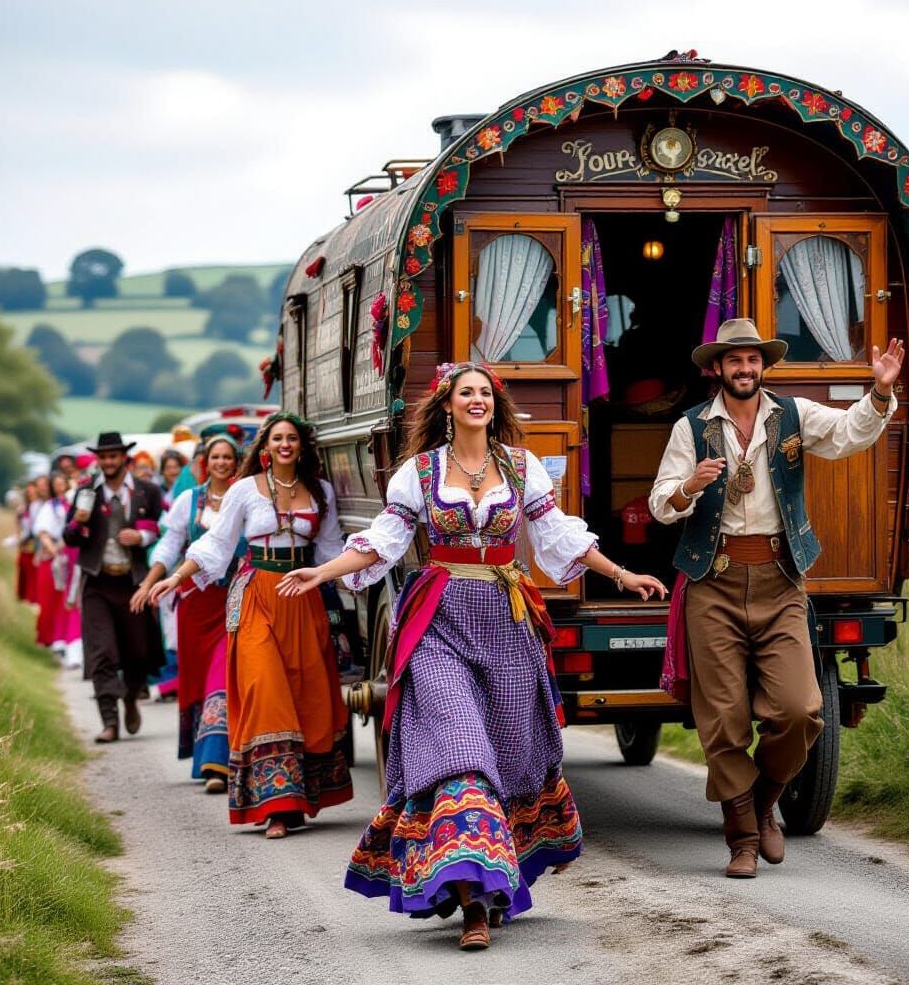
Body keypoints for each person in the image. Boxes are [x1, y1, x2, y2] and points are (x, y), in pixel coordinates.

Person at [277, 361, 666, 951]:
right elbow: (383, 542)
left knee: (508, 757)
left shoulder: (521, 467)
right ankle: (473, 903)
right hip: (440, 620)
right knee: (461, 754)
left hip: (507, 621)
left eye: (485, 392)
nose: (477, 400)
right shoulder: (419, 472)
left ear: (494, 404)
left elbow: (558, 535)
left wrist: (622, 574)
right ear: (447, 405)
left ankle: (495, 876)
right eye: (467, 393)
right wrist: (322, 572)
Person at [650, 318, 902, 878]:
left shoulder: (793, 415)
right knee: (722, 721)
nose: (745, 368)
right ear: (717, 368)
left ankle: (764, 800)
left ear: (764, 365)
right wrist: (690, 486)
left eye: (753, 359)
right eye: (734, 360)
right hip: (713, 581)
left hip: (781, 578)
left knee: (802, 710)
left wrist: (880, 391)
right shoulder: (692, 426)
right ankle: (742, 839)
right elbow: (660, 503)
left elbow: (850, 434)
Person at [148, 413, 352, 837]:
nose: (284, 444)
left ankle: (297, 798)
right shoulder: (245, 490)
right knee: (264, 690)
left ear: (301, 445)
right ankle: (274, 804)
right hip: (257, 594)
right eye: (277, 438)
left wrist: (357, 583)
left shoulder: (320, 491)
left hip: (304, 597)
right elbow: (216, 543)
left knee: (305, 695)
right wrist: (176, 577)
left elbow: (331, 548)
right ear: (265, 447)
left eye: (291, 438)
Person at [131, 435, 245, 792]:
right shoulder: (188, 500)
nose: (222, 463)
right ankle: (208, 758)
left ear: (236, 462)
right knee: (197, 679)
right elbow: (168, 545)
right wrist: (149, 582)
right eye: (216, 457)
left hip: (237, 598)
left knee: (223, 675)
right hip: (196, 602)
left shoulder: (246, 496)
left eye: (228, 457)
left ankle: (220, 764)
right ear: (204, 463)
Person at [64, 431, 165, 743]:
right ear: (98, 460)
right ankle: (109, 721)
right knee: (102, 652)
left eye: (113, 456)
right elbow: (69, 537)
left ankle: (131, 696)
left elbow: (162, 528)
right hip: (97, 583)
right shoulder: (86, 492)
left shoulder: (147, 491)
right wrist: (79, 521)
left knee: (137, 652)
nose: (108, 462)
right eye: (103, 457)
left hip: (133, 582)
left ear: (124, 458)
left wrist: (141, 537)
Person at [32, 472, 83, 669]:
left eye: (63, 483)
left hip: (75, 553)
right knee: (65, 599)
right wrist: (55, 551)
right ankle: (64, 641)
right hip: (61, 556)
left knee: (76, 599)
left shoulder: (73, 502)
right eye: (57, 484)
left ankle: (74, 642)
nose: (61, 487)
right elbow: (43, 533)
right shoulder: (51, 506)